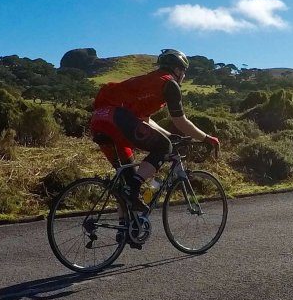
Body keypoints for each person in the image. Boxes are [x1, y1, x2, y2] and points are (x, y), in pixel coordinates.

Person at [90, 49, 220, 218]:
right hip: (117, 119)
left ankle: (125, 229)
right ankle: (133, 188)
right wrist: (207, 138)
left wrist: (168, 135)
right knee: (163, 147)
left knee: (127, 183)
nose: (183, 76)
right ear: (178, 70)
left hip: (100, 120)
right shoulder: (169, 83)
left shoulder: (147, 80)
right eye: (184, 71)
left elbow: (144, 120)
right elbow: (180, 121)